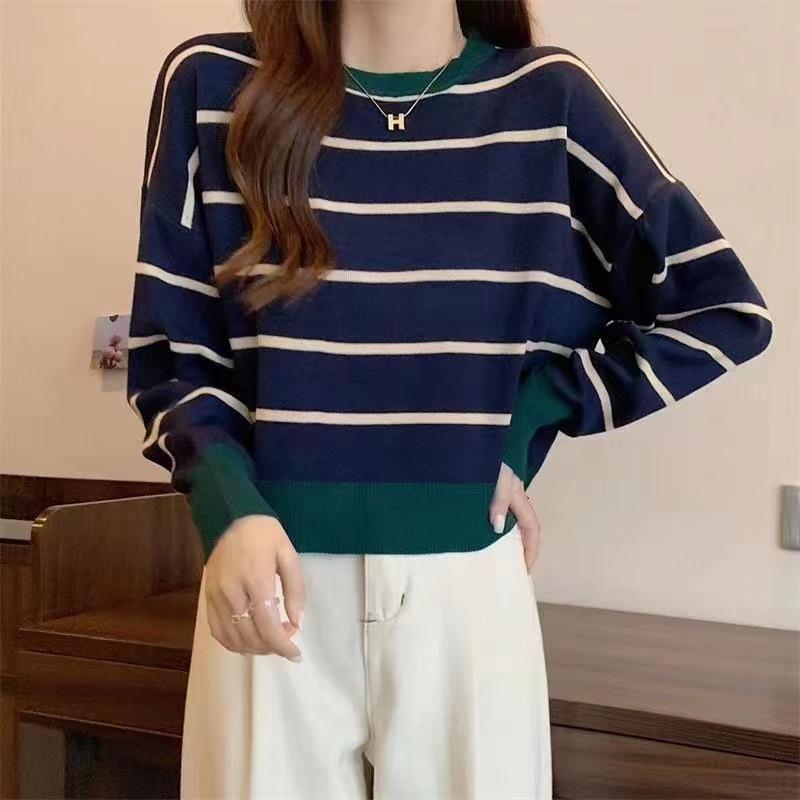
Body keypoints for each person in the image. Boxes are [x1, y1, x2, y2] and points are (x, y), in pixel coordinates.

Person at [126, 1, 773, 797]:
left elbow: (721, 308)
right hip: (267, 576)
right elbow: (172, 351)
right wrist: (229, 507)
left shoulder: (549, 98)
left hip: (467, 590)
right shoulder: (214, 85)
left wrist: (528, 419)